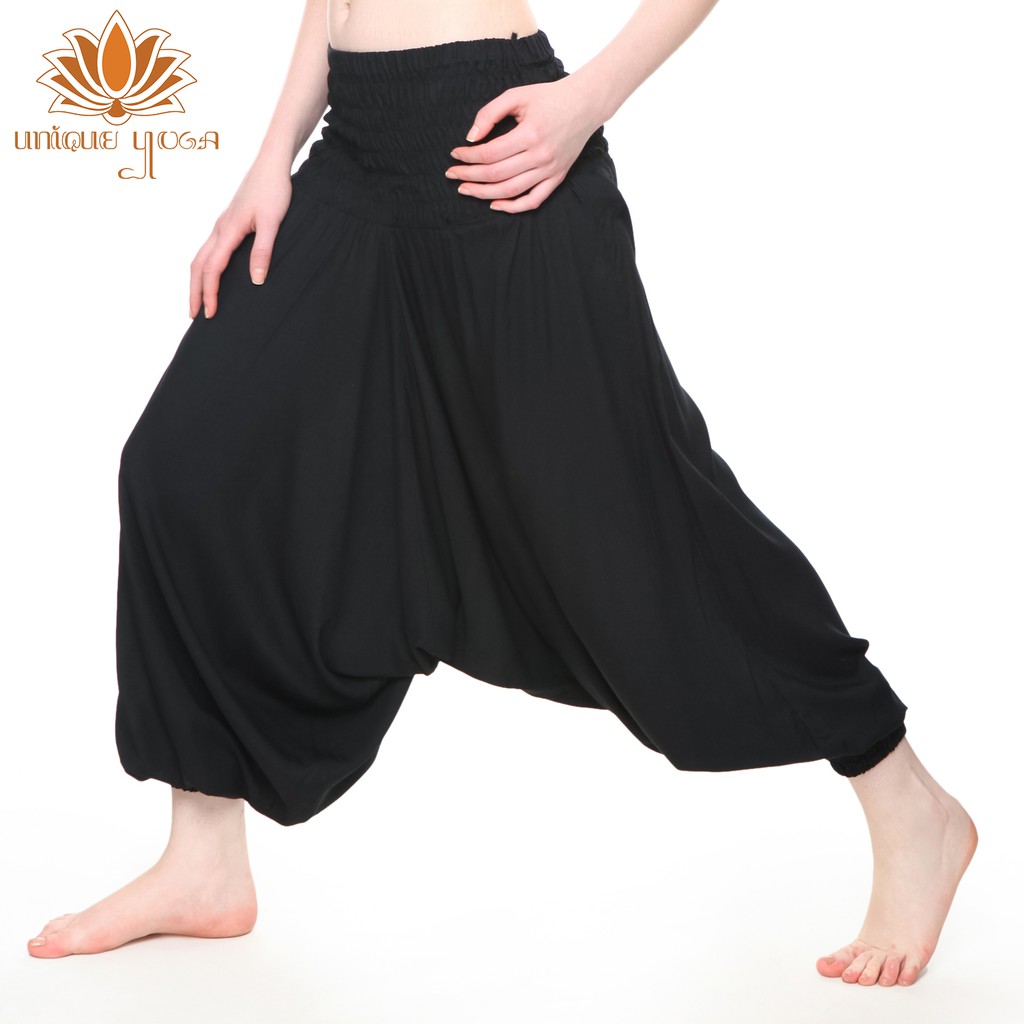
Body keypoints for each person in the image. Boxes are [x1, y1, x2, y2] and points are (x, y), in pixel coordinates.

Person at [27, 0, 976, 989]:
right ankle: (203, 860)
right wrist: (273, 158)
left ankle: (905, 796)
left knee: (638, 525)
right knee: (186, 465)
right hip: (354, 153)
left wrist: (589, 99)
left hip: (499, 153)